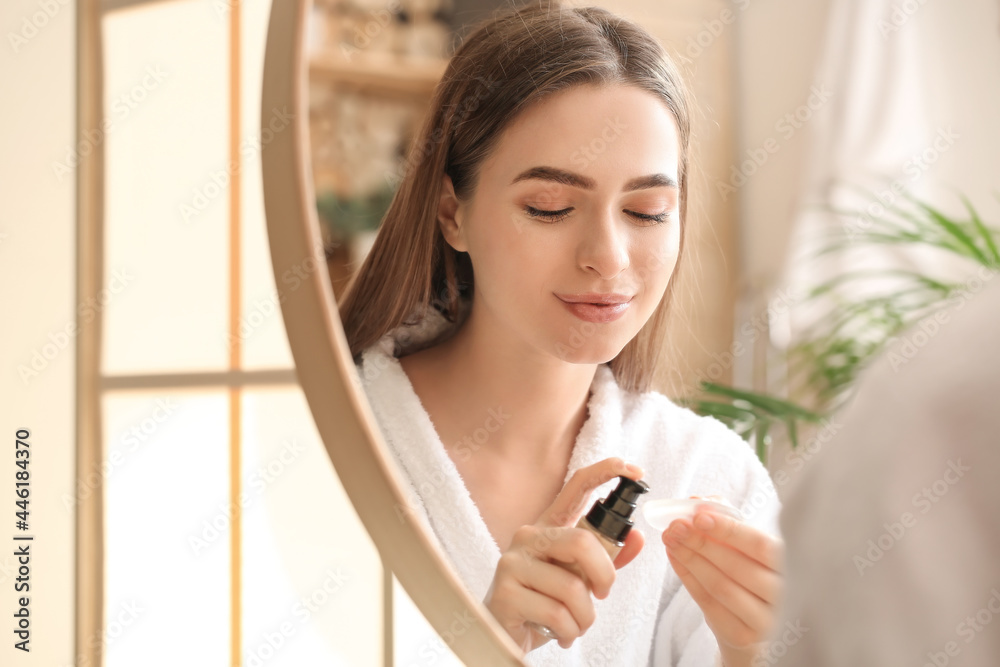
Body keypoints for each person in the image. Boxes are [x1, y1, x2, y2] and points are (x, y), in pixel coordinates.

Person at [341, 2, 784, 665]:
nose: (608, 256)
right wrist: (484, 644)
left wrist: (753, 649)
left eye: (646, 210)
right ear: (451, 213)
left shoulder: (706, 476)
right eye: (549, 207)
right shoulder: (332, 439)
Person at [768, 271, 1000, 666]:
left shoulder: (933, 381)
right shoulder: (940, 393)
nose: (619, 260)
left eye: (647, 213)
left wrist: (738, 648)